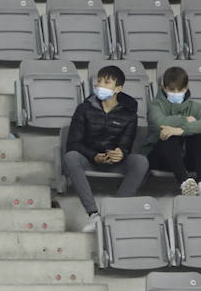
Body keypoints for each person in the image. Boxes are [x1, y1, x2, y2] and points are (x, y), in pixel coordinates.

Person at [64, 65, 149, 234]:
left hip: (114, 162)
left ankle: (112, 214)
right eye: (99, 81)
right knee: (71, 157)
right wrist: (93, 155)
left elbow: (126, 144)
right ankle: (94, 214)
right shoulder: (84, 108)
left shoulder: (129, 114)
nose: (100, 85)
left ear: (118, 88)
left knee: (140, 162)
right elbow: (73, 142)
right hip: (89, 158)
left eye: (106, 82)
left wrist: (121, 153)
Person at [143, 65, 201, 199]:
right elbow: (159, 123)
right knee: (168, 135)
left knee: (200, 135)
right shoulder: (155, 105)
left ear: (186, 88)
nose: (176, 92)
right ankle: (185, 184)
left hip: (184, 159)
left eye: (180, 89)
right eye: (171, 89)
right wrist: (185, 119)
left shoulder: (195, 107)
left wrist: (181, 130)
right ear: (164, 87)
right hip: (158, 157)